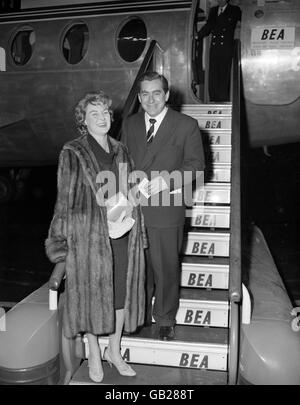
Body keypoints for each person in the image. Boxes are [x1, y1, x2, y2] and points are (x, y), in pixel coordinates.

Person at [45, 91, 146, 383]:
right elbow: (64, 199)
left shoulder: (121, 150)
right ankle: (93, 351)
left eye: (105, 113)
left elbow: (129, 188)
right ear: (83, 121)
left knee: (120, 295)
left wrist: (133, 202)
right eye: (94, 114)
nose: (102, 118)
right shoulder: (73, 151)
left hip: (122, 231)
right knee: (91, 295)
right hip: (89, 236)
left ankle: (114, 351)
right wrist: (60, 241)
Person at [121, 72, 205, 341]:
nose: (150, 99)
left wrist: (165, 182)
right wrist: (124, 189)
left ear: (167, 95)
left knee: (166, 267)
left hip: (166, 208)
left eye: (156, 93)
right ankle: (141, 314)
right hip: (135, 209)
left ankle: (165, 317)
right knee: (140, 267)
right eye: (144, 94)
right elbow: (122, 162)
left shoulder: (186, 125)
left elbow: (196, 166)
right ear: (139, 97)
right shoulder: (130, 124)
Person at [197, 0, 241, 102]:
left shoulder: (234, 10)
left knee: (223, 73)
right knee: (213, 73)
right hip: (215, 47)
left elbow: (244, 21)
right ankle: (213, 98)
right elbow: (208, 26)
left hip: (226, 47)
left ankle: (223, 98)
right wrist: (197, 36)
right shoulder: (213, 10)